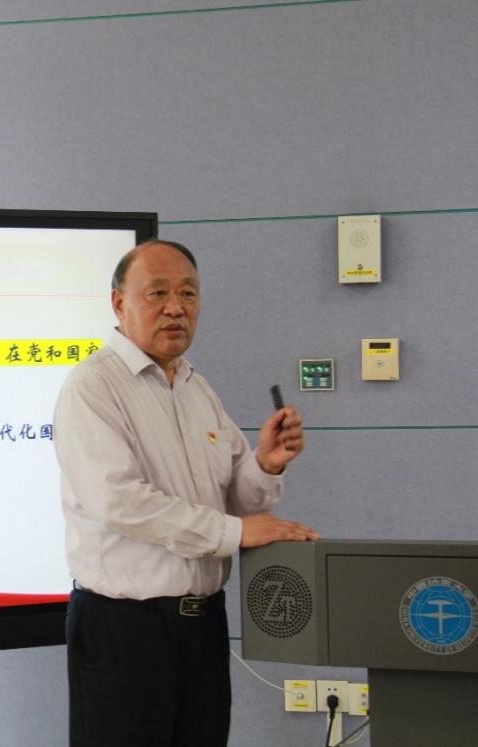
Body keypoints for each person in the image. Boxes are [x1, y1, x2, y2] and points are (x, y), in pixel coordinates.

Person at [54, 238, 319, 746]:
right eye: (157, 293)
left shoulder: (197, 388)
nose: (176, 307)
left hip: (202, 626)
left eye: (188, 293)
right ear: (119, 303)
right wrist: (235, 533)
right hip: (124, 630)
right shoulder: (93, 386)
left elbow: (236, 498)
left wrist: (265, 463)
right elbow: (119, 502)